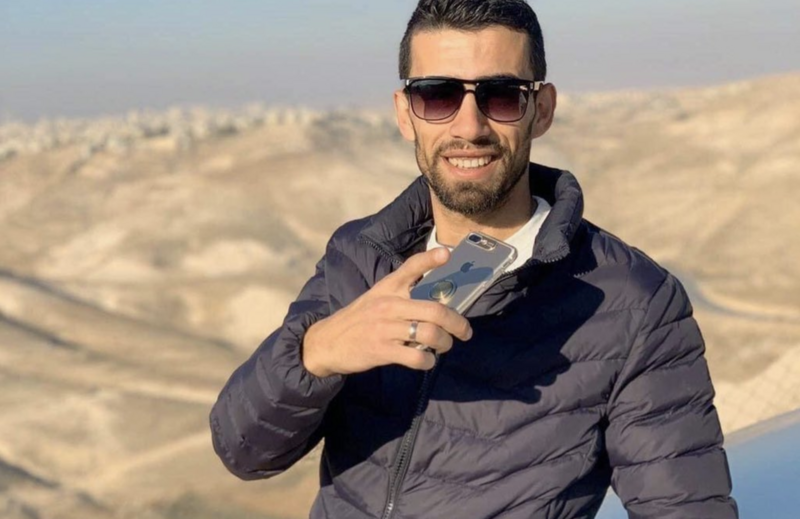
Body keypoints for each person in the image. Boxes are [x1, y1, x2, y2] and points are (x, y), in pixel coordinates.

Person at [209, 1, 738, 517]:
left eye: (502, 95)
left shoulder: (633, 302)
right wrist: (316, 353)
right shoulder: (361, 255)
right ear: (404, 114)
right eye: (437, 95)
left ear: (543, 108)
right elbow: (244, 451)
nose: (469, 127)